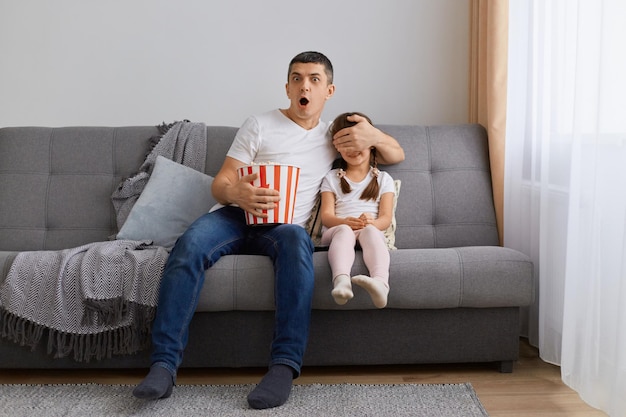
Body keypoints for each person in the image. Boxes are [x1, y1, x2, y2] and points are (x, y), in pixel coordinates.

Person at [132, 51, 405, 409]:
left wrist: (371, 132)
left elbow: (395, 154)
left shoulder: (332, 138)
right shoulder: (259, 124)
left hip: (283, 228)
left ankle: (283, 368)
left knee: (297, 244)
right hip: (234, 215)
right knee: (190, 245)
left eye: (314, 79)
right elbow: (221, 184)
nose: (304, 85)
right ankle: (163, 366)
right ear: (288, 87)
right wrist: (236, 193)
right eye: (296, 78)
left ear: (329, 90)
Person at [320, 112, 394, 309]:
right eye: (345, 146)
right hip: (336, 231)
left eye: (356, 143)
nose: (352, 150)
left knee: (371, 231)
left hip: (368, 230)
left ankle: (380, 284)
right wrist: (344, 223)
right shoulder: (332, 178)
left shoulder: (383, 179)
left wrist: (372, 223)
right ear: (337, 149)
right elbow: (326, 216)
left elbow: (386, 218)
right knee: (344, 231)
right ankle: (342, 281)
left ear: (370, 143)